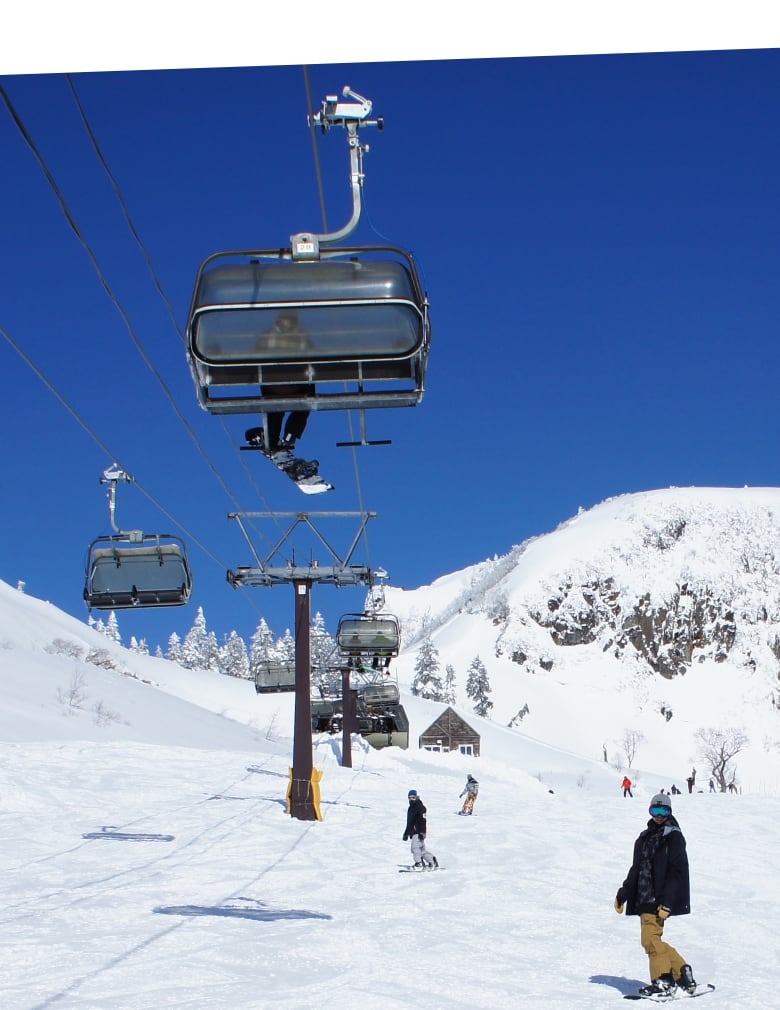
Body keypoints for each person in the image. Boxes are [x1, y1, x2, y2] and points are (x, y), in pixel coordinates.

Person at [614, 793, 697, 997]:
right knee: (652, 940)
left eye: (664, 811)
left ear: (669, 812)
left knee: (650, 940)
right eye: (655, 811)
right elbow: (636, 869)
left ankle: (663, 981)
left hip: (659, 899)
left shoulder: (673, 837)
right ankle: (682, 972)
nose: (659, 816)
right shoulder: (643, 838)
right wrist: (623, 894)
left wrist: (668, 902)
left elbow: (677, 871)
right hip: (643, 897)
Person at [253, 309, 314, 451]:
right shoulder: (301, 336)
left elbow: (256, 357)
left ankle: (272, 437)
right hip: (295, 386)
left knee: (274, 407)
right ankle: (291, 434)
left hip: (273, 386)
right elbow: (311, 357)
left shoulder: (267, 335)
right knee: (307, 400)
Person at [402, 789, 438, 869]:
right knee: (421, 850)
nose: (411, 799)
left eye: (413, 797)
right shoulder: (410, 808)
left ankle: (419, 863)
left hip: (418, 832)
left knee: (415, 848)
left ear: (416, 797)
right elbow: (409, 822)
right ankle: (432, 861)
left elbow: (423, 820)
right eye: (410, 798)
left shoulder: (421, 807)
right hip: (413, 832)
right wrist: (406, 833)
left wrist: (422, 832)